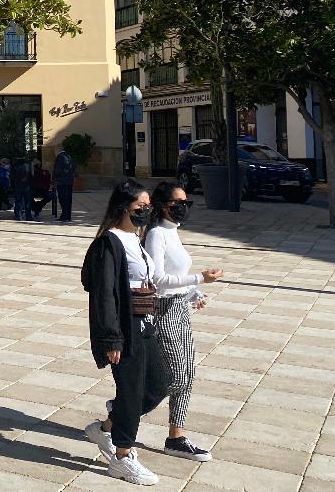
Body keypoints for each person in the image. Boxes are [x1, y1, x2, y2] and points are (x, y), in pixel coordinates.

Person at [82, 179, 170, 486]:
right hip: (124, 326)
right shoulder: (109, 243)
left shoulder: (136, 238)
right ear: (123, 208)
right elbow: (104, 294)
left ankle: (107, 426)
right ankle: (121, 457)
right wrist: (112, 338)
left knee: (161, 383)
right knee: (131, 393)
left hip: (146, 322)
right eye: (139, 208)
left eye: (147, 207)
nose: (145, 212)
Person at [145, 182, 223, 463]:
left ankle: (176, 437)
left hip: (180, 309)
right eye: (178, 202)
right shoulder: (155, 234)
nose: (183, 207)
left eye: (186, 202)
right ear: (163, 205)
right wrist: (200, 278)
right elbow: (157, 280)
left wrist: (193, 293)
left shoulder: (173, 232)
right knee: (175, 376)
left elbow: (175, 279)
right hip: (162, 312)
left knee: (189, 376)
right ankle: (118, 414)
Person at [53, 145, 76, 222]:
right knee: (68, 199)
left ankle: (64, 216)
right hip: (69, 181)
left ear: (57, 150)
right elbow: (73, 168)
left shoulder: (60, 157)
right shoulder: (69, 156)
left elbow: (57, 170)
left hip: (62, 182)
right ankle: (68, 216)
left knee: (63, 199)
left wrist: (54, 179)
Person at [11, 154, 34, 221]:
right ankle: (28, 216)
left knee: (18, 201)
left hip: (18, 185)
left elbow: (12, 176)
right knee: (27, 201)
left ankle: (18, 215)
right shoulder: (28, 164)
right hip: (27, 186)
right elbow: (32, 175)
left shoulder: (15, 165)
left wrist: (13, 185)